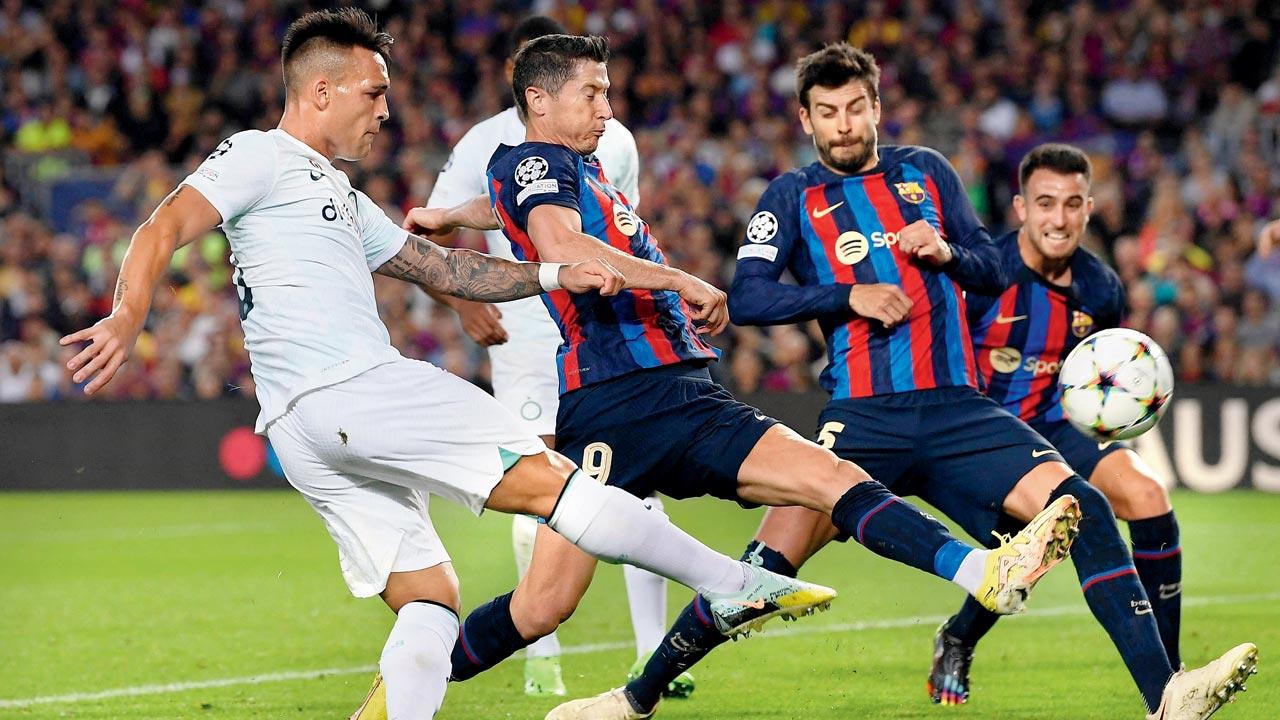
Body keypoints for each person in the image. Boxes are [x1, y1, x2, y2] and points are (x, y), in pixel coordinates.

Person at [58, 11, 839, 720]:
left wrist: (551, 273)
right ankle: (734, 585)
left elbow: (445, 270)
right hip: (356, 388)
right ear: (320, 89)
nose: (386, 110)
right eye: (373, 92)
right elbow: (164, 225)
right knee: (559, 485)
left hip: (302, 427)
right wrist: (129, 315)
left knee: (431, 600)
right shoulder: (258, 156)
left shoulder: (338, 194)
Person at [559, 45, 1257, 720]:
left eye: (856, 108)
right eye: (827, 111)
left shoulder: (927, 173)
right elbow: (749, 295)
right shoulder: (792, 196)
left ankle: (1166, 699)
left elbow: (991, 268)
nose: (843, 124)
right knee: (761, 570)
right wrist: (845, 295)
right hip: (861, 418)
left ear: (876, 107)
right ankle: (635, 699)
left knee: (1087, 510)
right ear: (805, 119)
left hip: (959, 411)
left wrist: (948, 251)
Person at [409, 33, 1081, 712]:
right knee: (542, 606)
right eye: (594, 91)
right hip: (622, 397)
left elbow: (512, 208)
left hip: (677, 391)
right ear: (539, 99)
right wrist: (681, 279)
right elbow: (556, 240)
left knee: (830, 477)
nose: (608, 107)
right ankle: (406, 687)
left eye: (608, 90)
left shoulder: (564, 168)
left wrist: (450, 215)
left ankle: (983, 571)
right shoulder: (534, 159)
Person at [423, 15, 677, 699]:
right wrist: (461, 302)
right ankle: (543, 650)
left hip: (599, 325)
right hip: (527, 332)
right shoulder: (484, 141)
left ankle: (650, 645)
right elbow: (436, 222)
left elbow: (622, 228)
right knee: (541, 479)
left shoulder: (613, 139)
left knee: (631, 479)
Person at [929, 142, 1186, 705]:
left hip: (1059, 424)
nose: (1060, 218)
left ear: (1089, 208)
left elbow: (1104, 370)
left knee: (1147, 494)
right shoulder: (981, 277)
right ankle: (957, 636)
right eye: (1046, 203)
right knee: (1034, 542)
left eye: (1073, 204)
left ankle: (1173, 678)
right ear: (1021, 208)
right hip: (985, 435)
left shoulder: (1100, 289)